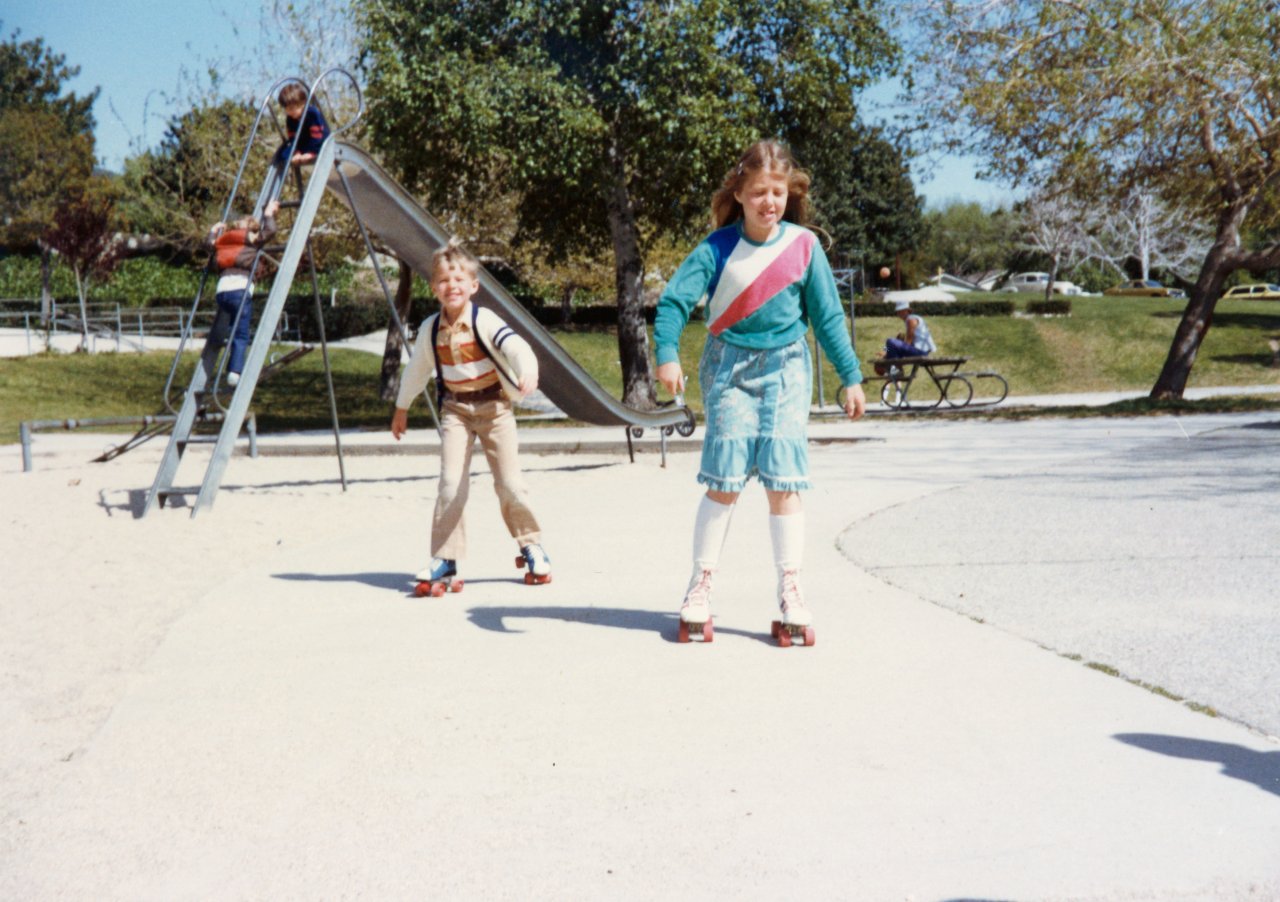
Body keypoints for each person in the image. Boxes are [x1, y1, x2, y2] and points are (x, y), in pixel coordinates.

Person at [653, 139, 866, 637]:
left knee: (783, 481)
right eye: (758, 193)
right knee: (723, 480)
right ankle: (700, 584)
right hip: (729, 369)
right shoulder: (717, 248)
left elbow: (828, 318)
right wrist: (666, 353)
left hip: (787, 369)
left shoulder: (803, 247)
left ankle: (791, 589)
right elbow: (673, 304)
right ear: (741, 194)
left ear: (788, 194)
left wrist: (851, 376)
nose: (769, 202)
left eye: (777, 192)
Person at [390, 240, 551, 590]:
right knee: (450, 484)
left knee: (510, 484)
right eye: (445, 281)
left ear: (474, 286)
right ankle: (446, 559)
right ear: (434, 288)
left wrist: (529, 371)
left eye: (460, 279)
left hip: (495, 410)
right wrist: (402, 407)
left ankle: (532, 545)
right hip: (456, 412)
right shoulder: (432, 329)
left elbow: (516, 346)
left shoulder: (484, 320)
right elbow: (417, 371)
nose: (453, 286)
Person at [207, 199, 278, 387]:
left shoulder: (223, 240)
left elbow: (209, 244)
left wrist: (213, 230)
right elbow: (270, 231)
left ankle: (225, 355)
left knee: (233, 326)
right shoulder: (250, 238)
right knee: (241, 334)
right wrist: (269, 213)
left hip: (222, 292)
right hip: (240, 288)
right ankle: (235, 372)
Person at [273, 83, 331, 167]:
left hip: (319, 143)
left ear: (303, 104)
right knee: (282, 155)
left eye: (292, 108)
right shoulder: (290, 118)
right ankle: (295, 152)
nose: (289, 112)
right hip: (304, 144)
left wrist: (312, 152)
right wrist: (297, 151)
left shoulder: (312, 114)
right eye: (287, 109)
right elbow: (293, 138)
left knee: (318, 142)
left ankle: (313, 151)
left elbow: (317, 136)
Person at [878, 299, 936, 366]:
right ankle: (894, 368)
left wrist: (888, 352)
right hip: (919, 351)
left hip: (921, 352)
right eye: (898, 311)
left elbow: (908, 343)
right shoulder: (912, 318)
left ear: (907, 311)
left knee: (890, 341)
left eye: (901, 311)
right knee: (893, 342)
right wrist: (886, 350)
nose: (899, 313)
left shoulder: (911, 320)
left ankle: (896, 369)